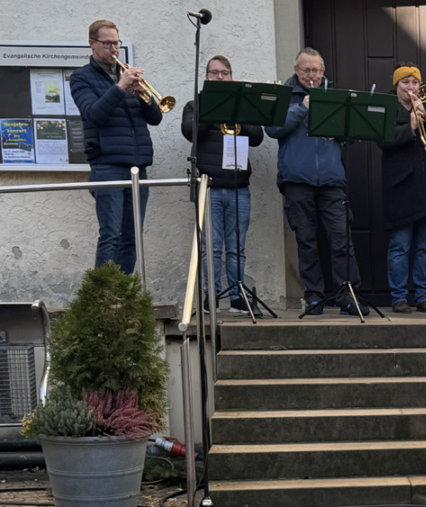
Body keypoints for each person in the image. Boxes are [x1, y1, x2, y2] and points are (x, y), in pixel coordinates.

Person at [265, 47, 366, 316]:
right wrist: (302, 109)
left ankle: (347, 294)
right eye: (308, 70)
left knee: (341, 238)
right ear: (296, 70)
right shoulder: (285, 95)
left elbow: (355, 128)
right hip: (297, 179)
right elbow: (272, 128)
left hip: (332, 180)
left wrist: (343, 134)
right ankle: (314, 297)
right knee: (307, 240)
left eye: (318, 70)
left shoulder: (333, 95)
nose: (313, 75)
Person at [69, 19, 162, 274]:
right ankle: (103, 297)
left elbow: (156, 118)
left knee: (132, 236)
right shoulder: (80, 78)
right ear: (92, 44)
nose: (113, 49)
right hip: (107, 166)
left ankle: (122, 296)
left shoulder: (127, 77)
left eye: (116, 43)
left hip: (137, 166)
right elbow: (93, 114)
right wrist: (120, 87)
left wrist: (142, 93)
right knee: (111, 234)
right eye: (107, 43)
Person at [181, 55, 265, 315]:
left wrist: (241, 111)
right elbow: (189, 132)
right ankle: (212, 296)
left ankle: (237, 294)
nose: (219, 77)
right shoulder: (195, 105)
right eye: (214, 73)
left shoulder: (243, 105)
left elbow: (258, 137)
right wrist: (213, 109)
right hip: (210, 186)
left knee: (237, 247)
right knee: (213, 247)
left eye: (224, 73)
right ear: (206, 76)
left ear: (231, 77)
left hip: (240, 185)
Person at [379, 63, 426, 314]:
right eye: (405, 83)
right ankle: (399, 297)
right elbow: (384, 140)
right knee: (400, 245)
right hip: (401, 187)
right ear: (396, 86)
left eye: (414, 82)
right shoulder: (388, 109)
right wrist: (410, 124)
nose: (411, 87)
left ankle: (423, 296)